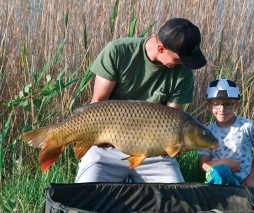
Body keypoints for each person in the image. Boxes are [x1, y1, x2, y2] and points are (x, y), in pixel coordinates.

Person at [75, 18, 207, 183]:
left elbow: (175, 117)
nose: (184, 64)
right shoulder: (118, 51)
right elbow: (98, 102)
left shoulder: (184, 72)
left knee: (175, 198)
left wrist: (177, 144)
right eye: (181, 58)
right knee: (85, 195)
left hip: (155, 153)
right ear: (161, 48)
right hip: (107, 149)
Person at [197, 79, 254, 188]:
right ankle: (213, 194)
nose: (222, 109)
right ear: (209, 106)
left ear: (236, 106)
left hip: (244, 182)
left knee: (251, 203)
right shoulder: (207, 132)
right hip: (219, 178)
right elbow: (204, 165)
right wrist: (223, 162)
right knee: (222, 171)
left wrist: (251, 178)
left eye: (227, 104)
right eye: (216, 104)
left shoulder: (247, 126)